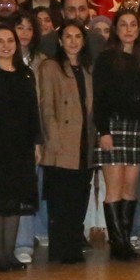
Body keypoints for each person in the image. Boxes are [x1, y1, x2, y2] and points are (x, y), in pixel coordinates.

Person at [0, 25, 42, 271]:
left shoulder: (26, 74)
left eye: (10, 40)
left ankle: (10, 254)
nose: (6, 46)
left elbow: (33, 111)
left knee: (15, 200)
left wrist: (37, 142)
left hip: (21, 146)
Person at [92, 10, 140, 262]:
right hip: (113, 127)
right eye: (123, 25)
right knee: (114, 189)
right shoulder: (106, 58)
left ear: (138, 29)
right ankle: (117, 244)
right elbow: (99, 97)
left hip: (137, 128)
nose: (128, 29)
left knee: (131, 187)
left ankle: (125, 240)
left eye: (133, 25)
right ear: (116, 30)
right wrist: (104, 131)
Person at [36, 21, 96, 264]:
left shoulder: (88, 69)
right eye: (68, 37)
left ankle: (74, 246)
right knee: (61, 199)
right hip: (60, 142)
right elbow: (46, 107)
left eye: (77, 36)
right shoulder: (50, 67)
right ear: (60, 41)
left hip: (85, 141)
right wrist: (53, 140)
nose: (73, 41)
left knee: (79, 197)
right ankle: (60, 249)